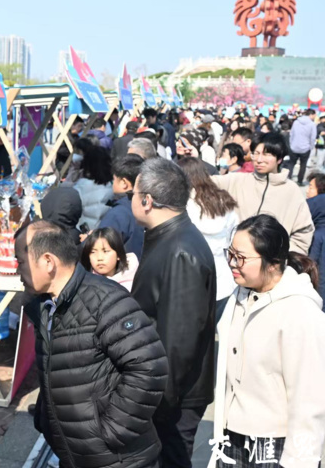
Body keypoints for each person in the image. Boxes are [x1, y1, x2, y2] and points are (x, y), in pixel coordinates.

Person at [14, 220, 168, 468]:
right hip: (75, 455)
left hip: (119, 460)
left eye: (21, 262)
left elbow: (150, 367)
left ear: (48, 261)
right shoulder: (45, 306)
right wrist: (46, 418)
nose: (17, 270)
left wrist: (113, 431)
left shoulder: (106, 300)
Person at [210, 215, 325, 467]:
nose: (232, 263)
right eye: (230, 254)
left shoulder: (300, 312)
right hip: (232, 436)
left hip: (275, 444)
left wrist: (300, 461)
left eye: (241, 257)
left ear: (273, 263)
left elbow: (310, 398)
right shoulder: (240, 295)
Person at [130, 158, 217, 468]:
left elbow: (178, 342)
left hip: (173, 397)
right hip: (163, 390)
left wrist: (158, 403)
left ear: (147, 200)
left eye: (133, 193)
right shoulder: (168, 237)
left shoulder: (180, 249)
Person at [213, 132, 314, 254]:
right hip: (235, 258)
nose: (259, 160)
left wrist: (286, 257)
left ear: (279, 158)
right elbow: (204, 183)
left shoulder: (292, 191)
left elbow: (303, 232)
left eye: (266, 154)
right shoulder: (237, 180)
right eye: (256, 153)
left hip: (274, 262)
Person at [178, 158, 239, 322]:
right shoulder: (224, 201)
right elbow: (234, 235)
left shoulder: (182, 205)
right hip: (223, 276)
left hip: (190, 276)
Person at [99, 154, 145, 259]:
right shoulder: (148, 205)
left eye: (114, 180)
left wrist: (90, 241)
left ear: (124, 183)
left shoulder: (118, 213)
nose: (112, 184)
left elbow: (102, 249)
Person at [69, 142, 112, 232]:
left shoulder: (82, 185)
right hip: (105, 230)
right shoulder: (112, 185)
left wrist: (74, 170)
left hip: (84, 229)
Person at [306, 172, 325, 300]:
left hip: (318, 241)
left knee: (317, 276)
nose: (307, 190)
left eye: (311, 187)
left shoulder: (315, 202)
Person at [287, 109, 318, 185]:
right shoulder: (312, 124)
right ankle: (300, 181)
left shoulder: (296, 122)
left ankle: (288, 178)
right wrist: (311, 147)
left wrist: (291, 144)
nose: (315, 117)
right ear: (311, 115)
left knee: (291, 164)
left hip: (294, 146)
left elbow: (291, 134)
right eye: (314, 115)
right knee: (303, 165)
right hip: (305, 148)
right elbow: (313, 137)